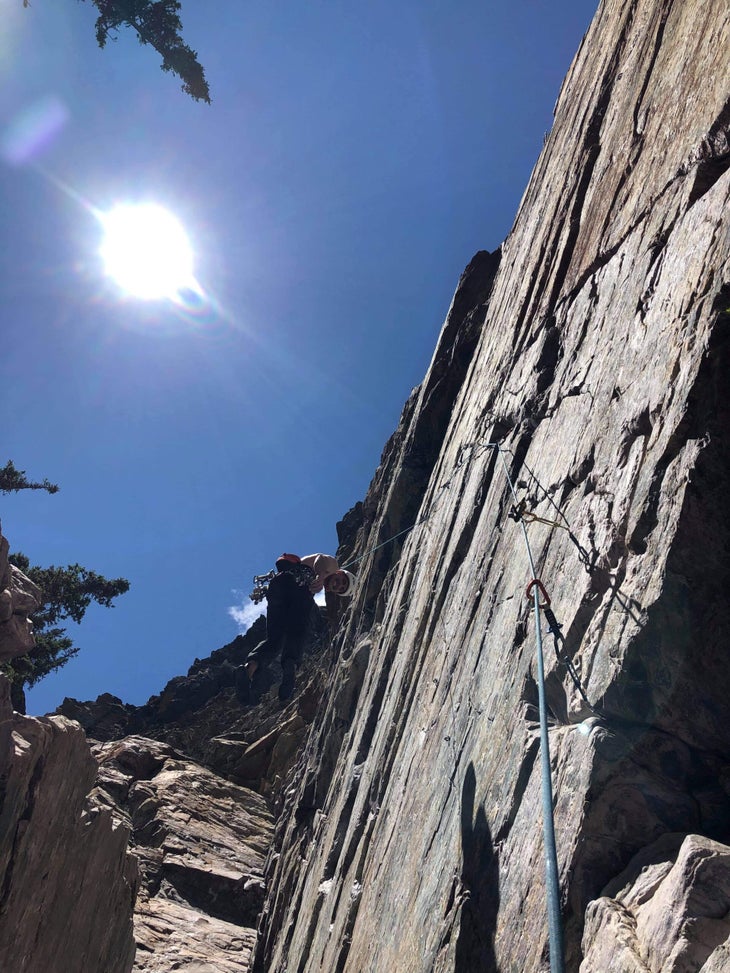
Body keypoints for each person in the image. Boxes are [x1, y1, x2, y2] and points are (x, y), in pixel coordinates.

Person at [237, 552, 356, 704]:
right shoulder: (333, 566)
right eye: (341, 580)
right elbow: (321, 559)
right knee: (299, 629)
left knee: (274, 640)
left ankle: (248, 669)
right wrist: (320, 575)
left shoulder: (318, 581)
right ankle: (291, 664)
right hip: (299, 586)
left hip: (278, 588)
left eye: (340, 588)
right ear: (339, 573)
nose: (338, 584)